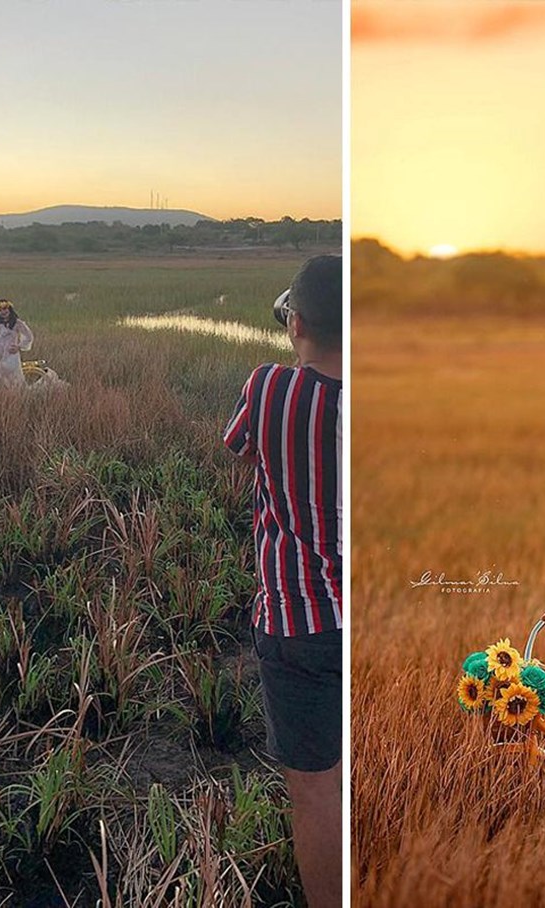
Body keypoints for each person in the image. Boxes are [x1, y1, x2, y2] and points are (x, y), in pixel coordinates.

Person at [223, 255, 342, 908]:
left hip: (298, 618)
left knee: (317, 790)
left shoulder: (270, 386)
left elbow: (242, 453)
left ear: (296, 322)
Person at [0, 299, 34, 389]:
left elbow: (29, 336)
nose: (3, 312)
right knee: (1, 382)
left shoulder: (17, 323)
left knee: (14, 380)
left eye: (5, 309)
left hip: (10, 356)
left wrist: (19, 346)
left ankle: (18, 396)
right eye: (0, 310)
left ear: (10, 309)